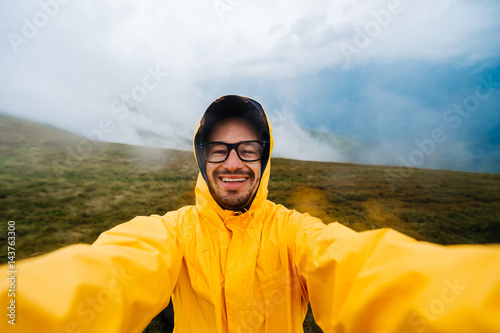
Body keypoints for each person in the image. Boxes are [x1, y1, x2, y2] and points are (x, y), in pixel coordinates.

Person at [1, 95, 500, 333]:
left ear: (264, 158)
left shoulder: (296, 232)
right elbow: (105, 273)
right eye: (218, 150)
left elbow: (368, 270)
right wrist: (13, 308)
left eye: (247, 149)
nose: (233, 162)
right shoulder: (169, 233)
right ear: (201, 160)